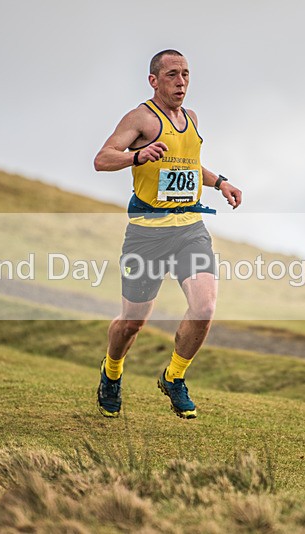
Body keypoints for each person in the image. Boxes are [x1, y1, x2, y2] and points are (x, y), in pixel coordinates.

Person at [93, 49, 242, 419]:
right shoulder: (140, 118)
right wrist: (135, 157)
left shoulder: (191, 118)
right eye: (173, 74)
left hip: (189, 230)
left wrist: (219, 182)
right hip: (147, 236)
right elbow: (102, 158)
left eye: (186, 74)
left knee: (205, 307)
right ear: (154, 80)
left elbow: (188, 164)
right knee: (131, 324)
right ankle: (111, 372)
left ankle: (173, 377)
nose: (181, 82)